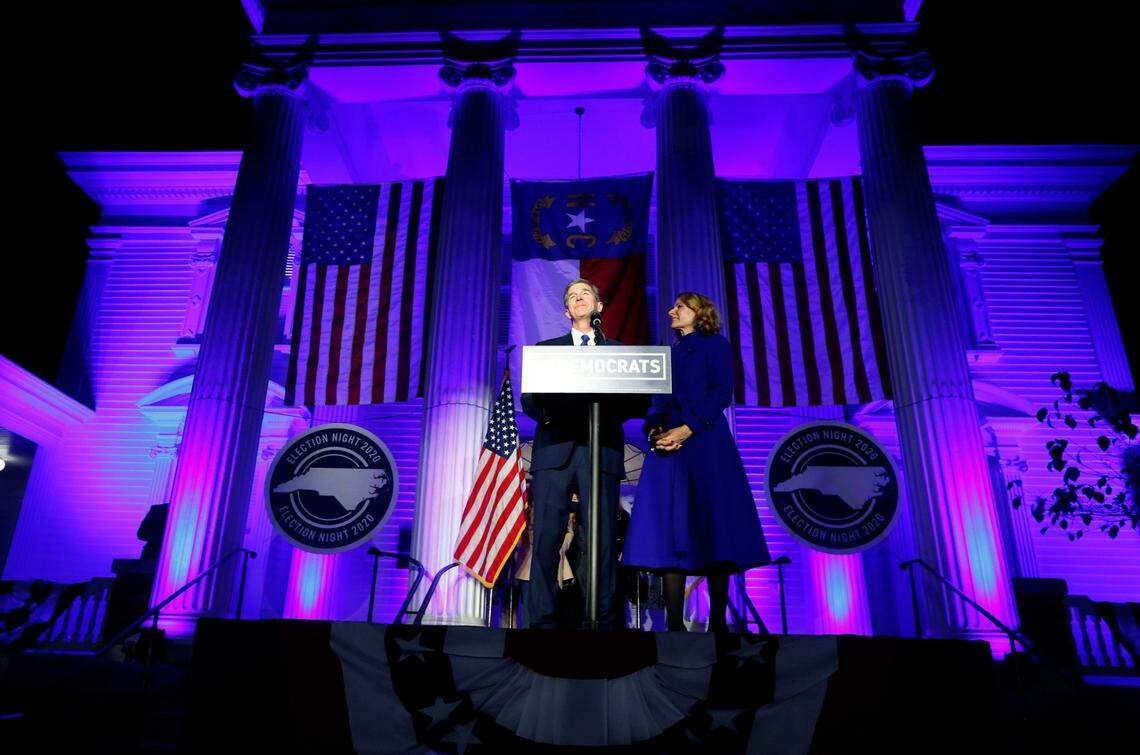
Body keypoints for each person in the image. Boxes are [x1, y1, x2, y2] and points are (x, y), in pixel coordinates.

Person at [623, 292, 770, 632]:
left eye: (680, 307)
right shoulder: (669, 354)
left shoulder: (715, 345)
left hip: (705, 442)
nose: (671, 310)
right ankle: (674, 625)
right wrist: (656, 430)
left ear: (699, 312)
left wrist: (687, 429)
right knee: (671, 529)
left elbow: (721, 393)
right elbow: (657, 401)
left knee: (713, 525)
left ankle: (716, 621)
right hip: (668, 449)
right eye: (673, 306)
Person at [520, 278, 643, 629]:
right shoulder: (547, 350)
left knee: (601, 540)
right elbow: (530, 400)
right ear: (566, 311)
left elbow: (638, 398)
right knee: (545, 538)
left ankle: (601, 620)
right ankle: (540, 622)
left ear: (599, 306)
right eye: (572, 296)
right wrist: (558, 410)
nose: (578, 298)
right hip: (555, 452)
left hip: (600, 450)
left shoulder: (619, 353)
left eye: (584, 293)